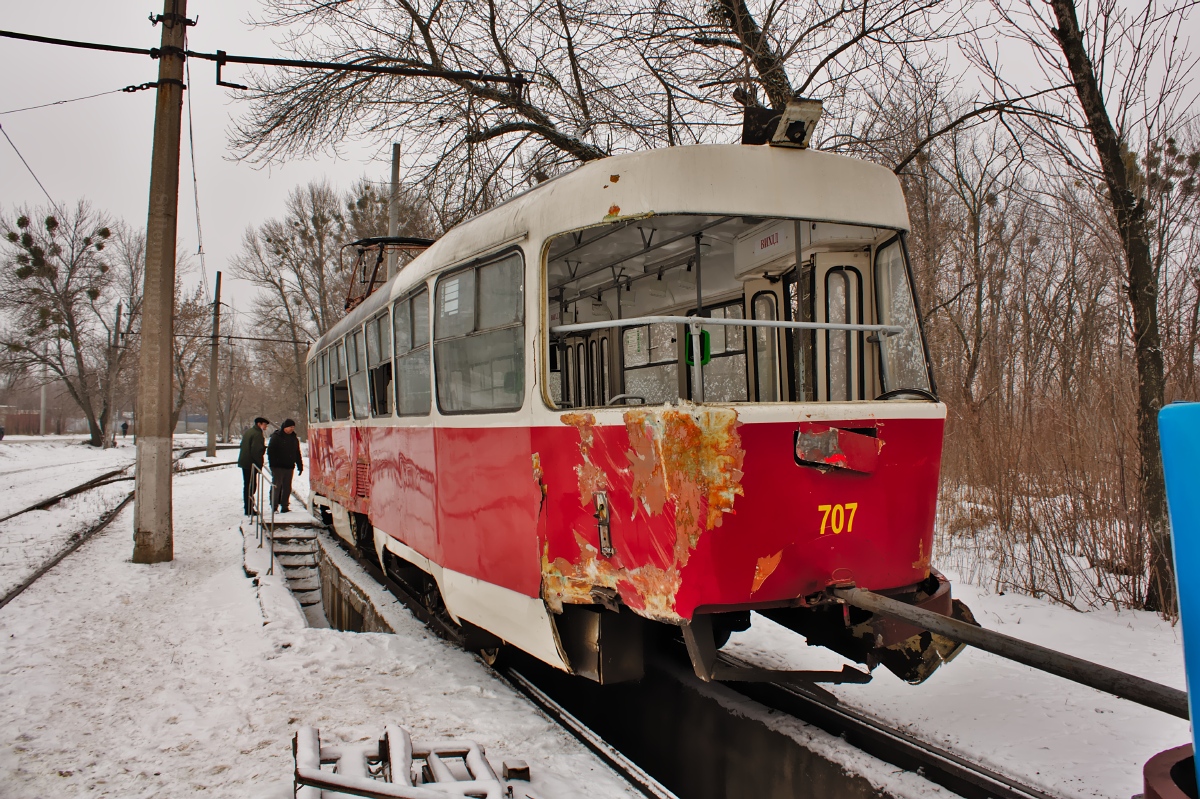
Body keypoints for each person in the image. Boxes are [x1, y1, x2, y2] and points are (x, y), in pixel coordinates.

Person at [267, 418, 304, 514]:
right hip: (278, 467)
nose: (292, 429)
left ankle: (285, 506)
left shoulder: (294, 438)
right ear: (285, 427)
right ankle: (274, 506)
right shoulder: (276, 437)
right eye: (290, 427)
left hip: (289, 466)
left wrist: (300, 465)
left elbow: (297, 453)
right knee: (277, 486)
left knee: (287, 487)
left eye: (293, 427)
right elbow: (270, 451)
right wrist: (273, 465)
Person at [237, 417, 269, 515]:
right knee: (251, 486)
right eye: (265, 425)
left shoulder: (249, 432)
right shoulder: (257, 434)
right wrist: (259, 464)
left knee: (247, 485)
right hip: (251, 464)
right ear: (259, 424)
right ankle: (249, 509)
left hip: (245, 462)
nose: (266, 427)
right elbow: (256, 451)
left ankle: (248, 507)